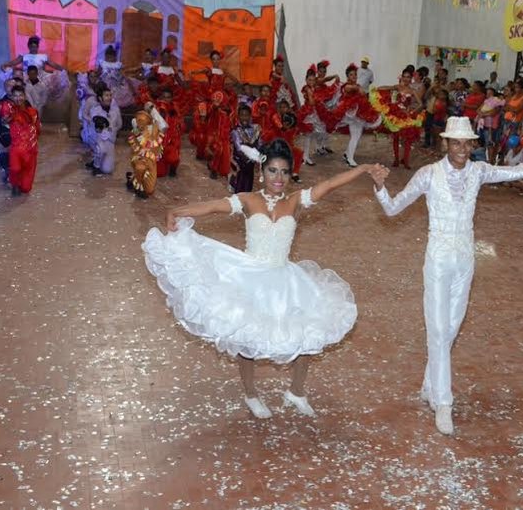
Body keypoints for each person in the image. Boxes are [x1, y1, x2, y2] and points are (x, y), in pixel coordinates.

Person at [143, 141, 381, 418]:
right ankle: (251, 394)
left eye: (284, 172)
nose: (278, 178)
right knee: (248, 339)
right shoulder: (248, 200)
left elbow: (329, 184)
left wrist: (363, 168)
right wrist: (177, 211)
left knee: (306, 335)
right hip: (250, 277)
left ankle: (297, 392)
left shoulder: (296, 201)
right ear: (261, 171)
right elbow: (212, 207)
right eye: (272, 171)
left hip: (286, 279)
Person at [370, 116, 523, 435]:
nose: (462, 149)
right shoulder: (428, 174)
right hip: (438, 259)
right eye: (456, 143)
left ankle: (429, 385)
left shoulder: (479, 171)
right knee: (438, 329)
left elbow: (516, 171)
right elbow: (393, 208)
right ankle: (444, 402)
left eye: (467, 143)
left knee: (450, 328)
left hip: (465, 259)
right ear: (446, 144)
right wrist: (381, 188)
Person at [371, 67, 423, 169]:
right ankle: (396, 159)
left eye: (408, 77)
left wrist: (412, 112)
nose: (406, 79)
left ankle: (406, 161)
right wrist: (376, 88)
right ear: (402, 77)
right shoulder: (397, 87)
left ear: (411, 78)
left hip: (407, 116)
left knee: (407, 139)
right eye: (404, 77)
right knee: (396, 137)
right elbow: (387, 87)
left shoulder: (413, 91)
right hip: (396, 115)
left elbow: (421, 104)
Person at [334, 63, 382, 168]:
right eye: (351, 75)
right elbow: (357, 90)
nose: (354, 76)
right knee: (355, 136)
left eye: (355, 74)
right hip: (352, 116)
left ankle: (347, 154)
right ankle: (350, 158)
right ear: (347, 76)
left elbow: (363, 94)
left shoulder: (356, 86)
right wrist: (359, 88)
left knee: (357, 136)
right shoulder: (347, 86)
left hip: (358, 115)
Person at [1, 35, 67, 105]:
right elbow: (13, 62)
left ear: (37, 47)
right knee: (17, 81)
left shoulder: (43, 56)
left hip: (39, 76)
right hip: (27, 76)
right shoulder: (24, 56)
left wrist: (63, 69)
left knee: (50, 85)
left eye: (35, 47)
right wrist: (6, 65)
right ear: (28, 46)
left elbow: (54, 65)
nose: (33, 48)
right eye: (32, 46)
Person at [1, 85, 40, 196]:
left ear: (25, 96)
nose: (18, 98)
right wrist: (8, 117)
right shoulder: (9, 111)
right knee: (15, 168)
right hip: (16, 148)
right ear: (12, 97)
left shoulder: (33, 112)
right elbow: (4, 120)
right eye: (16, 96)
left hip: (30, 150)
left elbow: (37, 129)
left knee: (26, 188)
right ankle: (14, 183)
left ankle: (19, 182)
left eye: (20, 95)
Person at [127, 106, 167, 199]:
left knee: (149, 190)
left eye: (142, 121)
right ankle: (138, 185)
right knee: (140, 167)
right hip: (140, 160)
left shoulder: (155, 130)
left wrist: (153, 110)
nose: (140, 123)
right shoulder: (135, 132)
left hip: (151, 160)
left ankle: (133, 178)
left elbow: (164, 126)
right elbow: (135, 149)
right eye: (138, 121)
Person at [88, 86, 122, 175]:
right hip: (98, 139)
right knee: (100, 149)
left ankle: (96, 160)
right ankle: (96, 166)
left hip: (110, 140)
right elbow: (93, 127)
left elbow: (119, 125)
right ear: (100, 98)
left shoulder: (115, 111)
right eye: (106, 95)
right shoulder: (95, 110)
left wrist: (112, 130)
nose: (109, 98)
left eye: (110, 95)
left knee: (107, 170)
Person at [229, 105, 262, 193]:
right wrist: (250, 156)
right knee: (239, 184)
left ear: (250, 116)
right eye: (242, 115)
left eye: (246, 115)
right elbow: (238, 148)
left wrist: (257, 155)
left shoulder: (255, 129)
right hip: (240, 161)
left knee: (248, 184)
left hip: (250, 161)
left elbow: (259, 144)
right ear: (238, 116)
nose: (244, 118)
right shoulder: (235, 131)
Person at [0, 78, 16, 180]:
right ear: (5, 88)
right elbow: (3, 120)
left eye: (13, 86)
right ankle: (7, 169)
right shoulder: (0, 103)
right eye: (9, 86)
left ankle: (2, 158)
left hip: (20, 131)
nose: (11, 88)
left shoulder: (23, 102)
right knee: (12, 144)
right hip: (5, 131)